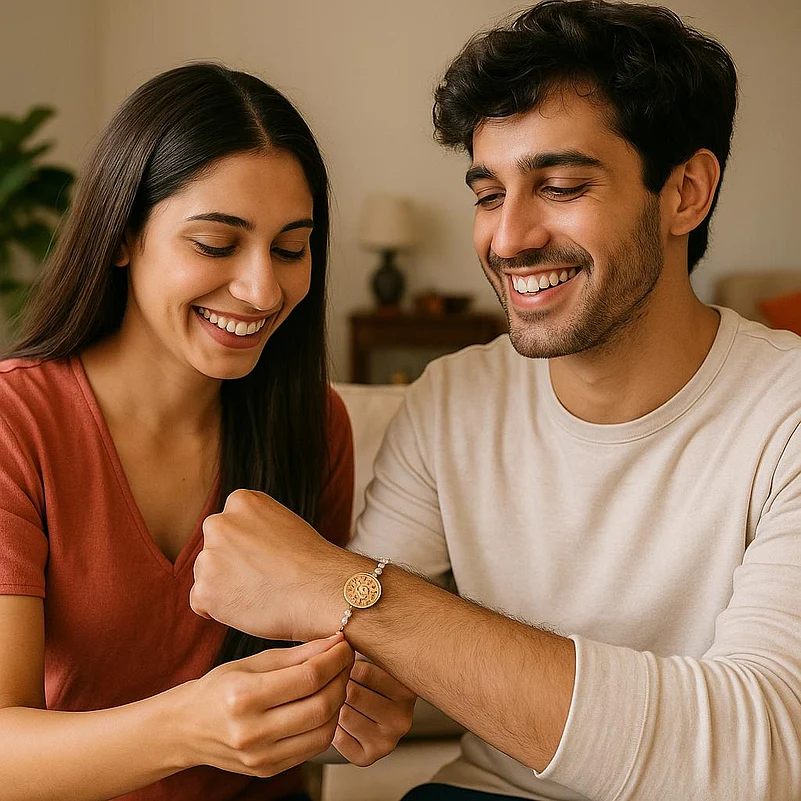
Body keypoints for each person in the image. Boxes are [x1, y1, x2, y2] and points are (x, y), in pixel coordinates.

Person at [189, 3, 801, 800]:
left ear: (685, 192)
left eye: (560, 185)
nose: (507, 238)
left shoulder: (783, 412)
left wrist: (344, 587)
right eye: (487, 193)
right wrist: (346, 700)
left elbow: (765, 754)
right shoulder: (449, 402)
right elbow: (360, 675)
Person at [0, 63, 414, 801]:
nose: (262, 290)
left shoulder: (315, 424)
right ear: (122, 236)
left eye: (291, 248)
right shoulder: (17, 424)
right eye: (217, 244)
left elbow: (306, 706)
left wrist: (352, 710)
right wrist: (186, 726)